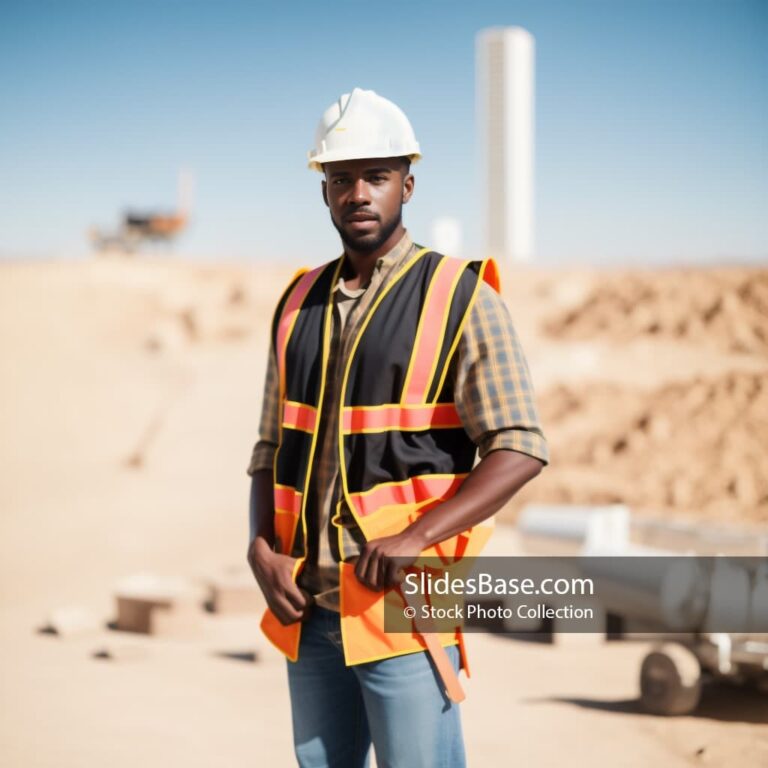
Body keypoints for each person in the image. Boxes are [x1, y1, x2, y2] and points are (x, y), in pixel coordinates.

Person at [246, 87, 549, 768]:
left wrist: (416, 537)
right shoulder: (296, 304)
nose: (359, 192)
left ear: (407, 185)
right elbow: (269, 448)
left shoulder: (462, 297)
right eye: (342, 178)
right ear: (324, 191)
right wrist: (259, 546)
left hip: (404, 605)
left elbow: (521, 446)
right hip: (309, 610)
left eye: (376, 176)